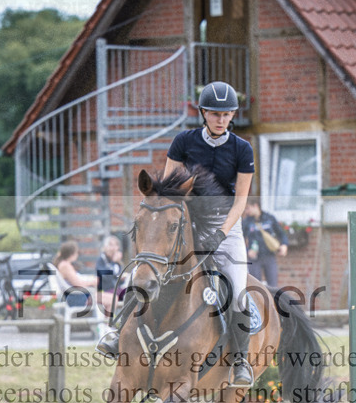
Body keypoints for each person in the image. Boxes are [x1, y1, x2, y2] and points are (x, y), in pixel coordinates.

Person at [96, 80, 256, 387]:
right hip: (186, 220)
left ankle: (240, 362)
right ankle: (117, 332)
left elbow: (242, 202)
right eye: (214, 113)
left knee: (237, 291)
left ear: (233, 114)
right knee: (148, 268)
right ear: (203, 113)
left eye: (226, 114)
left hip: (227, 224)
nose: (220, 119)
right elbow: (168, 189)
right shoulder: (183, 141)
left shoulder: (242, 149)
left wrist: (221, 234)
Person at [242, 199, 288, 287]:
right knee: (255, 287)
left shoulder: (269, 218)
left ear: (255, 206)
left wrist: (284, 245)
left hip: (269, 256)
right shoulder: (246, 222)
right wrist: (247, 251)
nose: (246, 211)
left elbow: (281, 234)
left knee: (273, 286)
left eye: (248, 208)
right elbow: (240, 240)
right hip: (254, 259)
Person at [52, 241, 97, 310]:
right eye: (76, 252)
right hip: (76, 298)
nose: (77, 255)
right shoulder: (65, 266)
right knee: (111, 299)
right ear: (71, 254)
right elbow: (78, 285)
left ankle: (105, 320)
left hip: (76, 295)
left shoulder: (63, 264)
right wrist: (92, 282)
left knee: (109, 298)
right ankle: (107, 320)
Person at [94, 235, 123, 315]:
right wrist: (114, 262)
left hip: (116, 290)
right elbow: (107, 277)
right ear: (104, 247)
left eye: (116, 245)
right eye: (110, 245)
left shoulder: (117, 262)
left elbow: (117, 277)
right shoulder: (101, 260)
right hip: (105, 291)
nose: (113, 248)